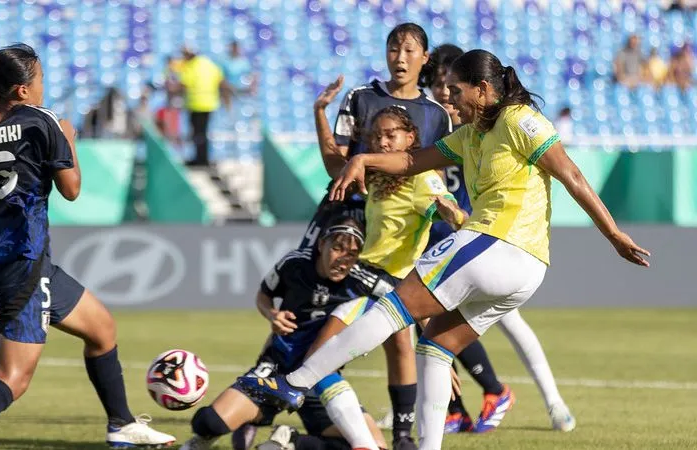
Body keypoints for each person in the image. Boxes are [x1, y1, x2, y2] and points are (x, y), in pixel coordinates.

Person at [237, 49, 650, 450]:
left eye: (455, 89)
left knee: (391, 310)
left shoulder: (519, 119)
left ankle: (295, 383)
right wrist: (364, 160)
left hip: (495, 243)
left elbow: (571, 174)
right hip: (524, 270)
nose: (446, 97)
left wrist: (614, 235)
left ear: (484, 89)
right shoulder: (469, 135)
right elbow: (411, 161)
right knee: (435, 345)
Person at [0, 44, 175, 449]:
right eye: (40, 79)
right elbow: (72, 189)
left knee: (101, 329)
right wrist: (69, 140)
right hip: (25, 265)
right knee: (13, 377)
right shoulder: (42, 122)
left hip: (15, 261)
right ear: (24, 90)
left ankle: (122, 424)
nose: (44, 86)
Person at [303, 23, 452, 450]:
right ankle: (308, 407)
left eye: (409, 49)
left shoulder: (435, 115)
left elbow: (434, 180)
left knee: (398, 336)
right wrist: (319, 116)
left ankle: (402, 434)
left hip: (398, 236)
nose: (399, 57)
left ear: (424, 58)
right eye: (393, 48)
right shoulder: (361, 98)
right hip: (348, 224)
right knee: (319, 321)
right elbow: (338, 166)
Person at [427, 44, 576, 433]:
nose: (444, 94)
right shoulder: (441, 124)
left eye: (449, 86)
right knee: (436, 326)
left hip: (486, 236)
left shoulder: (486, 123)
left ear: (473, 87)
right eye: (437, 85)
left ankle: (544, 399)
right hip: (450, 234)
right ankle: (454, 408)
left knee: (505, 321)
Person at [181, 216, 389, 450]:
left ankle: (292, 441)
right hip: (276, 369)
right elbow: (263, 295)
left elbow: (404, 302)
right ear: (322, 245)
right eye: (337, 248)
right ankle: (244, 420)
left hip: (321, 379)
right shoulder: (295, 263)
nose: (343, 259)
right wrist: (272, 315)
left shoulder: (362, 281)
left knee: (375, 447)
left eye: (351, 253)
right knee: (210, 422)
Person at [170, 46, 231, 166]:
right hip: (210, 104)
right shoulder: (210, 64)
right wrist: (226, 99)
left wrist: (172, 89)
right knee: (203, 133)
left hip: (196, 104)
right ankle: (203, 158)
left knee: (197, 133)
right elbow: (222, 82)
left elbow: (184, 84)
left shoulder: (191, 66)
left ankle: (200, 159)